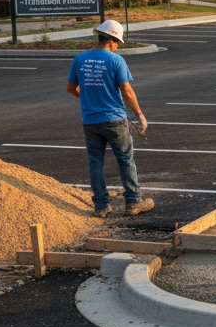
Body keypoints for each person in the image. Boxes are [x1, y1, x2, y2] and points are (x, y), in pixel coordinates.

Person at [65, 19, 154, 218]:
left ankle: (101, 206)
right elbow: (127, 91)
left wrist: (89, 97)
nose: (116, 48)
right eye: (117, 44)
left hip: (90, 121)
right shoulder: (115, 60)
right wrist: (140, 115)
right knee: (125, 161)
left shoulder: (79, 59)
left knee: (95, 162)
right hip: (114, 120)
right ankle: (133, 202)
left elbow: (71, 89)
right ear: (112, 41)